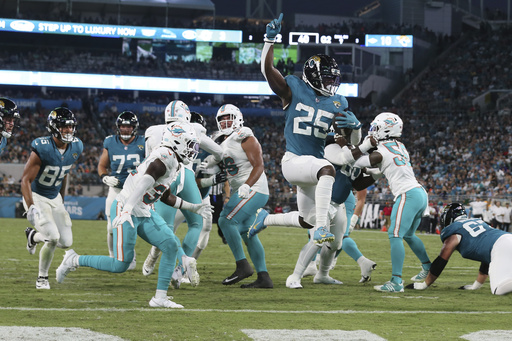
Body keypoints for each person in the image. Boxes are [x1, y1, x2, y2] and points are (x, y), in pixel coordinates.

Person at [55, 121, 213, 308]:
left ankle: (159, 298)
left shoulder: (175, 162)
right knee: (121, 264)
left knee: (170, 245)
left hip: (144, 209)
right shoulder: (165, 157)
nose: (193, 150)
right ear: (177, 141)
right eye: (189, 144)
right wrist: (128, 209)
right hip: (125, 208)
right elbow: (143, 183)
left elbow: (165, 196)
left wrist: (193, 208)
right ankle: (73, 259)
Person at [260, 13, 362, 246]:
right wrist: (269, 40)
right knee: (327, 169)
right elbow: (268, 71)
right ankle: (322, 229)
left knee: (307, 219)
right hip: (295, 160)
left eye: (333, 80)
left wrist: (356, 127)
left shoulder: (338, 102)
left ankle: (265, 220)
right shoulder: (294, 89)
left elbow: (352, 142)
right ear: (313, 76)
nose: (331, 84)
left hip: (312, 169)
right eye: (326, 79)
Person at [248, 130, 377, 288]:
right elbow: (344, 157)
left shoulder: (352, 151)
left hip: (338, 203)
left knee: (335, 243)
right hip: (323, 198)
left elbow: (357, 183)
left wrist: (377, 174)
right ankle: (295, 276)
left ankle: (322, 274)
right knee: (317, 237)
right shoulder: (330, 146)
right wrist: (364, 147)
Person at [141, 101, 223, 285]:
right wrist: (211, 161)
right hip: (187, 174)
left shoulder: (152, 130)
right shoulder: (194, 127)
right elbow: (219, 151)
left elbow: (148, 161)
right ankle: (180, 268)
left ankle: (175, 263)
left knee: (166, 228)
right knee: (196, 223)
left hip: (166, 176)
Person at [352, 112, 431, 293]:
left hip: (407, 194)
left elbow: (357, 162)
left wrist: (353, 152)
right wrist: (369, 170)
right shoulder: (400, 146)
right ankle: (427, 268)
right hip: (419, 193)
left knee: (395, 235)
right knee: (409, 235)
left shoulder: (382, 151)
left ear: (386, 129)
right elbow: (381, 170)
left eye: (376, 128)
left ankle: (396, 282)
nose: (373, 131)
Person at [22, 107, 83, 289]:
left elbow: (64, 174)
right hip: (37, 196)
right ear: (54, 127)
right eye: (64, 127)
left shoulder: (76, 146)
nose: (68, 130)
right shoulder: (43, 147)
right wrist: (31, 205)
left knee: (66, 242)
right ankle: (42, 277)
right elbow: (25, 179)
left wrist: (61, 199)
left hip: (54, 197)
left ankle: (33, 237)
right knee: (53, 238)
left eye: (71, 127)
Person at [215, 104, 273, 288]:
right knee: (247, 234)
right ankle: (264, 277)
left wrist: (247, 185)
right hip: (244, 189)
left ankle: (243, 266)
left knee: (225, 220)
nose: (225, 122)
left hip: (254, 188)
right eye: (221, 119)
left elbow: (259, 166)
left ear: (238, 118)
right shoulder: (224, 141)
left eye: (228, 117)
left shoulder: (244, 136)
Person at [406, 202, 512, 295]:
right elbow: (486, 257)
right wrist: (476, 286)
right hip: (506, 239)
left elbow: (442, 260)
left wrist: (424, 284)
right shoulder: (477, 221)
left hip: (500, 248)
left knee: (499, 289)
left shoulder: (454, 230)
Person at [97, 111, 145, 269]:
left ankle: (130, 256)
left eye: (129, 126)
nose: (125, 129)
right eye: (123, 126)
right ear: (118, 127)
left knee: (132, 225)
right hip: (116, 190)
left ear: (134, 127)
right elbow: (102, 166)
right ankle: (112, 256)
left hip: (135, 191)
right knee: (111, 227)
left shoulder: (143, 142)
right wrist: (105, 177)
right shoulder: (110, 142)